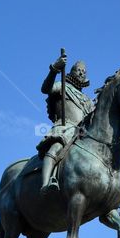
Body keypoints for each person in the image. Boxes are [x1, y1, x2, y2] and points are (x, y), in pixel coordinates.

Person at [37, 52, 94, 194]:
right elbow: (45, 89)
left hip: (83, 133)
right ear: (71, 71)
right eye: (78, 70)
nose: (81, 73)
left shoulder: (87, 100)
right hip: (65, 127)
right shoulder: (62, 86)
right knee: (56, 148)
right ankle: (45, 184)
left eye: (83, 71)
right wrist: (54, 69)